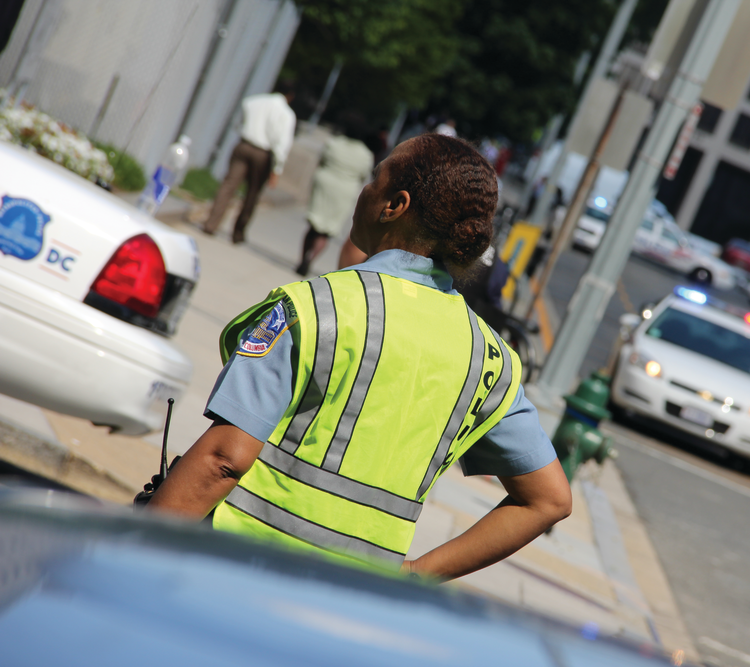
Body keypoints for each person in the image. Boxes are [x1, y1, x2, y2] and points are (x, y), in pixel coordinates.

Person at [149, 134, 572, 581]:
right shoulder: (489, 358)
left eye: (375, 179)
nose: (365, 190)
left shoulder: (316, 308)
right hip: (346, 614)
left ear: (395, 204)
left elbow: (223, 459)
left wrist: (130, 554)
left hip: (231, 578)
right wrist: (412, 576)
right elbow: (550, 499)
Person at [202, 80, 297, 244]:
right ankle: (238, 232)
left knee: (228, 185)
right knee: (252, 193)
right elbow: (282, 144)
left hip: (243, 145)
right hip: (263, 154)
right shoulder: (286, 114)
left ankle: (211, 223)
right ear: (290, 96)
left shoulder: (253, 101)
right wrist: (277, 169)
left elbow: (239, 123)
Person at [296, 112, 374, 276]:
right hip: (344, 190)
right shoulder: (366, 154)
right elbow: (362, 175)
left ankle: (302, 258)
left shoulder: (333, 143)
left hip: (325, 183)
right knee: (326, 231)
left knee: (314, 225)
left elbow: (322, 161)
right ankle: (310, 259)